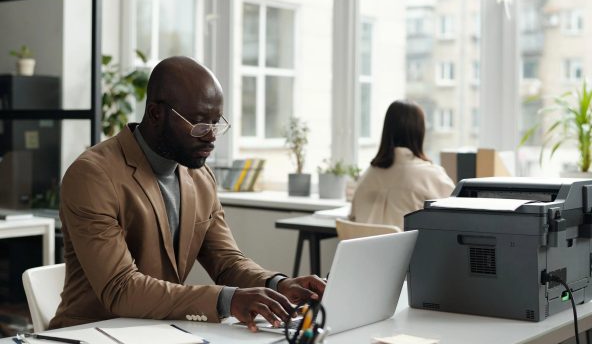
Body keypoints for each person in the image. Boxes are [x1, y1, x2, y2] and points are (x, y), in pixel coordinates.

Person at [50, 56, 325, 330]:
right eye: (200, 124)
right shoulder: (93, 175)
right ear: (156, 114)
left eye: (216, 123)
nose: (211, 136)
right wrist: (227, 300)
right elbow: (120, 288)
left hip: (160, 332)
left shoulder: (200, 176)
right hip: (91, 333)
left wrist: (278, 284)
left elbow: (227, 261)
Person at [349, 100, 454, 229]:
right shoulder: (431, 175)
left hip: (365, 248)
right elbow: (457, 217)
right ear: (420, 132)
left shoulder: (368, 175)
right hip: (406, 249)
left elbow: (352, 217)